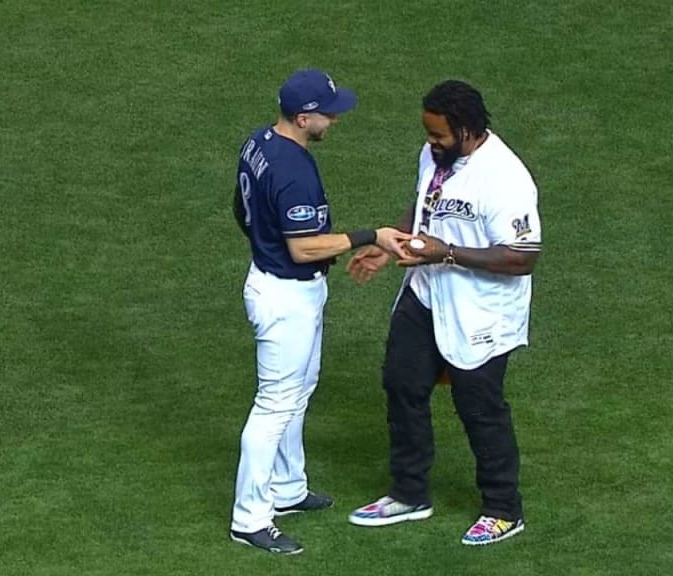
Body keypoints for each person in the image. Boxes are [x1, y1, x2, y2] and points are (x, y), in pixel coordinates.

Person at [346, 80, 542, 546]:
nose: (430, 144)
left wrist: (446, 253)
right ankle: (410, 493)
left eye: (439, 137)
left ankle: (502, 509)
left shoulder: (505, 177)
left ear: (468, 130)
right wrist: (391, 243)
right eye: (428, 134)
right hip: (428, 293)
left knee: (479, 408)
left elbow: (524, 256)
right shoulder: (435, 157)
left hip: (481, 312)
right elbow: (425, 206)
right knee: (402, 381)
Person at [229, 69, 410, 555]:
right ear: (303, 117)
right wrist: (369, 236)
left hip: (279, 284)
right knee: (274, 405)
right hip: (285, 295)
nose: (334, 119)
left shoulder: (259, 142)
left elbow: (240, 211)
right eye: (327, 113)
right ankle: (250, 518)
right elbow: (305, 248)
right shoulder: (292, 171)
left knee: (298, 390)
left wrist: (267, 244)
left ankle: (287, 488)